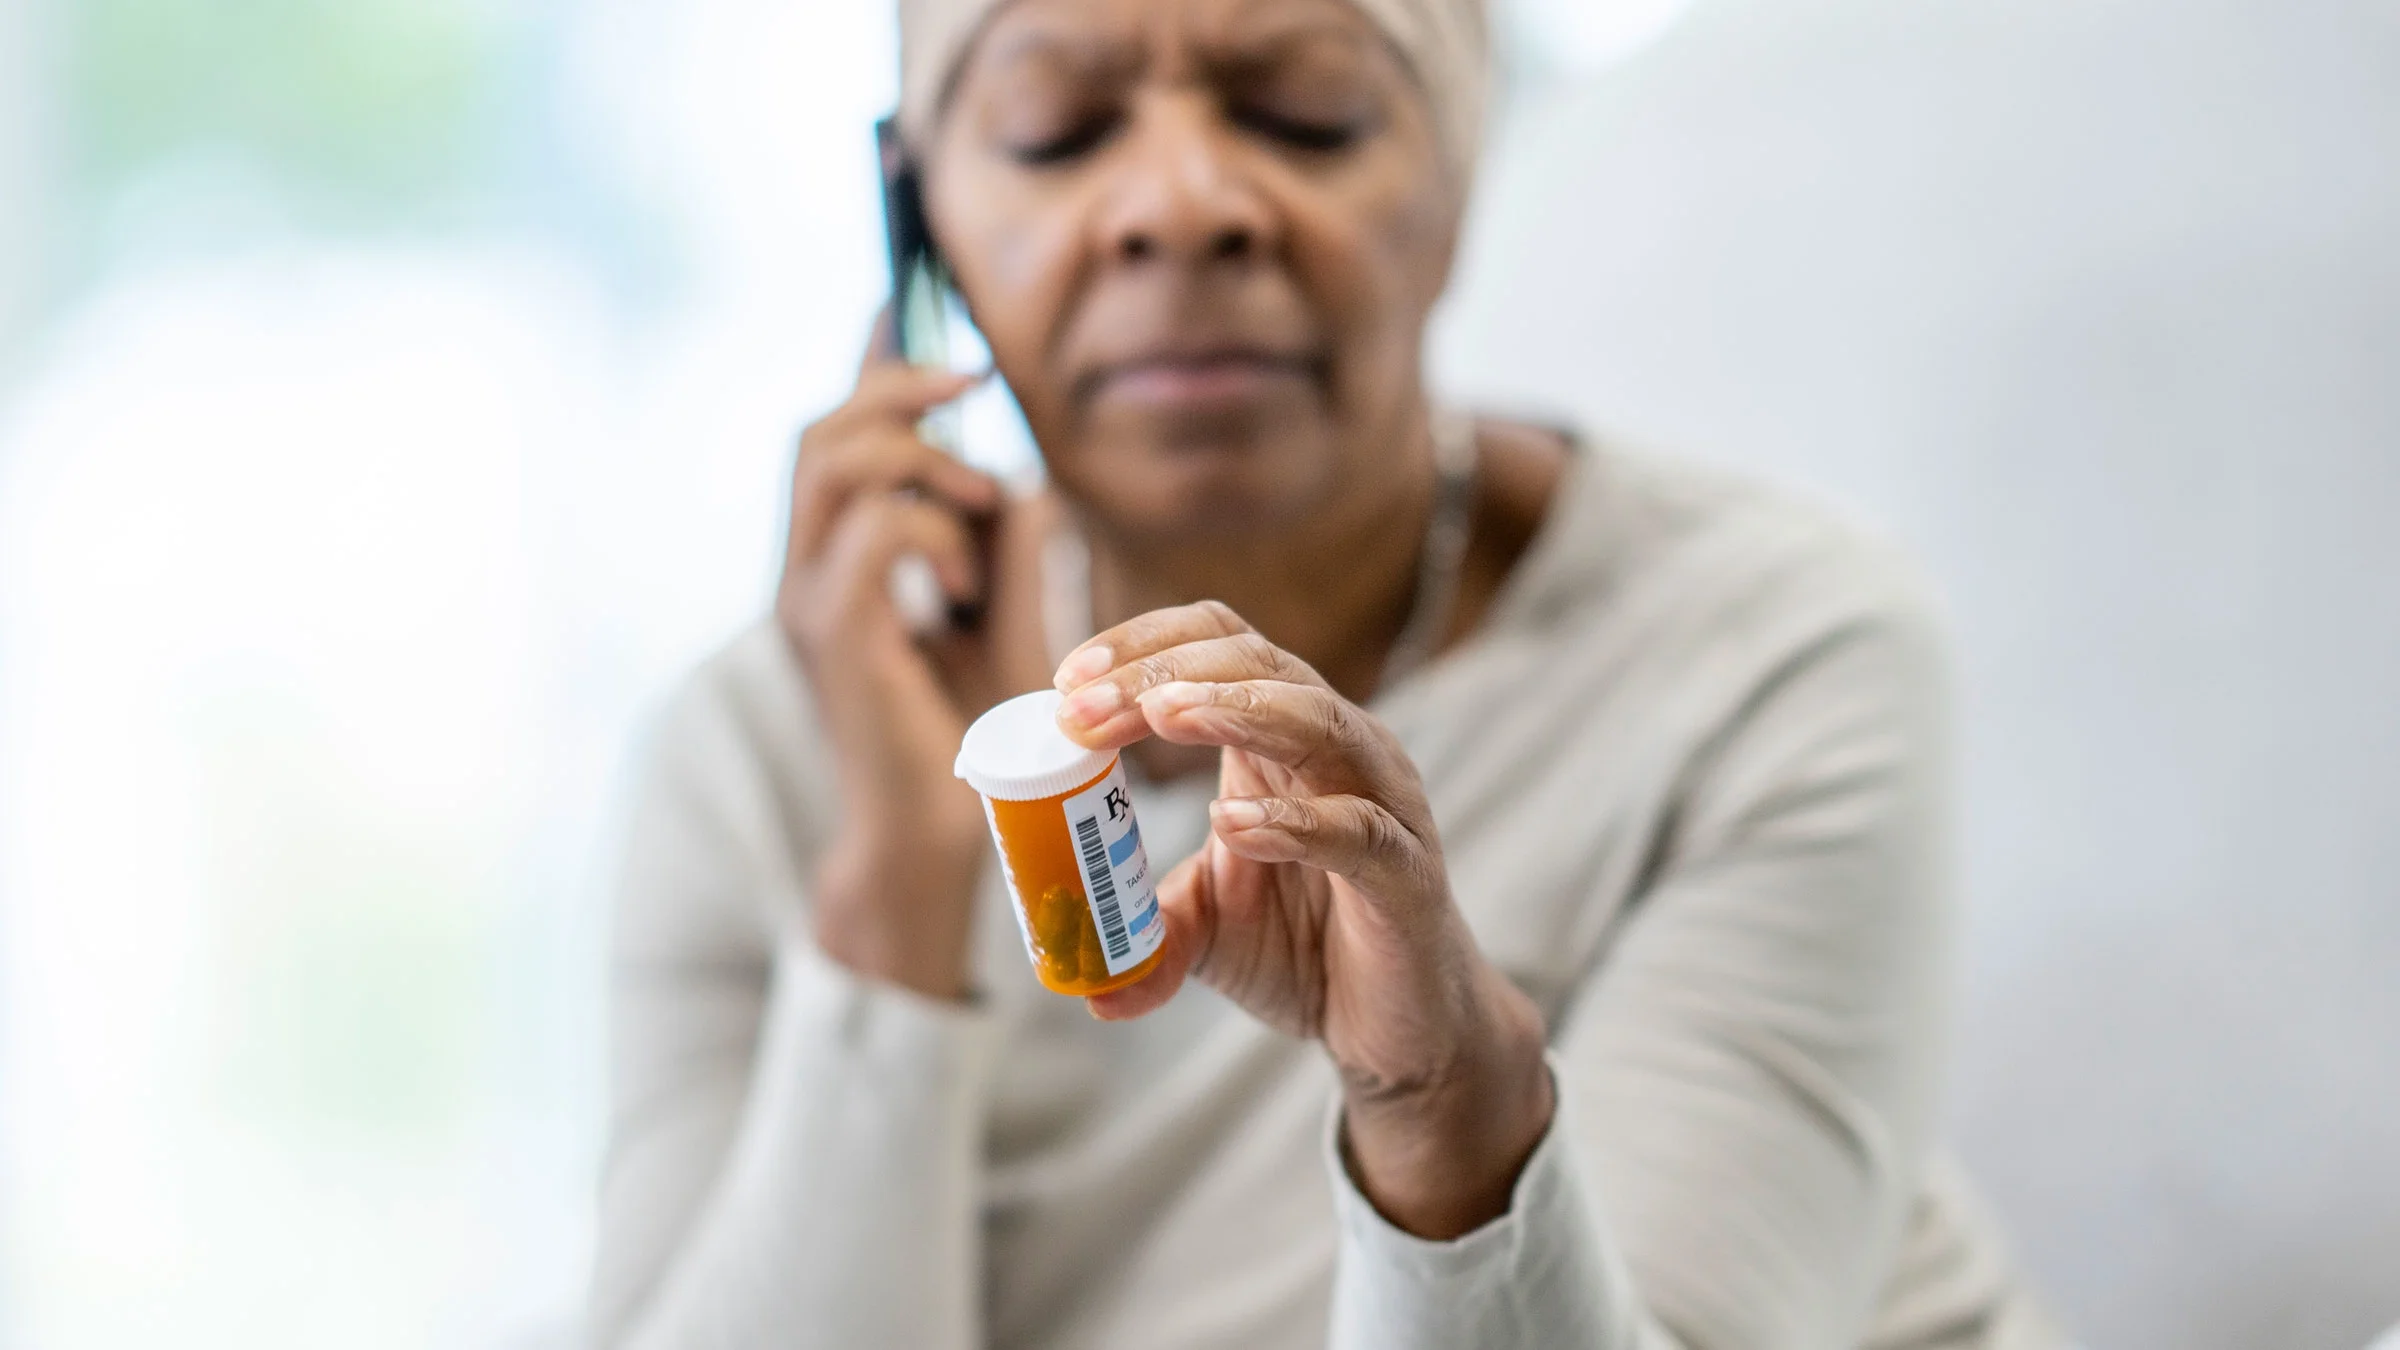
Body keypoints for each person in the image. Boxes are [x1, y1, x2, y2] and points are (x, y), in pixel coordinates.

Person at [586, 0, 2064, 1346]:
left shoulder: (1768, 656)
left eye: (1304, 111)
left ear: (1463, 171)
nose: (1181, 207)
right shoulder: (772, 741)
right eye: (1057, 129)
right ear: (921, 217)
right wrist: (894, 887)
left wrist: (1445, 1118)